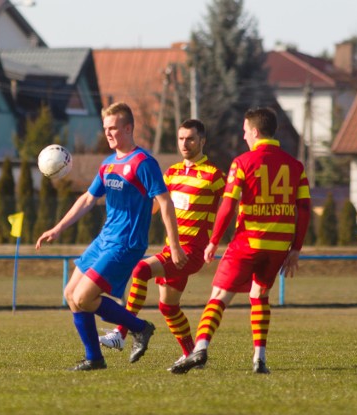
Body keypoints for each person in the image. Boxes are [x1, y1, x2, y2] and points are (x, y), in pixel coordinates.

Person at [35, 102, 187, 371]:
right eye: (106, 128)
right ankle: (94, 358)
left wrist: (174, 245)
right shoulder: (107, 164)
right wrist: (58, 228)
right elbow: (87, 199)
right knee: (71, 294)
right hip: (104, 239)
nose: (108, 133)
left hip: (126, 243)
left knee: (84, 298)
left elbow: (165, 203)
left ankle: (140, 327)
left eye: (113, 128)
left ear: (128, 128)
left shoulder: (144, 162)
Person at [170, 107, 311, 375]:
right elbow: (303, 209)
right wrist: (296, 249)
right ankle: (260, 358)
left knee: (219, 296)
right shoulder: (296, 166)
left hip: (247, 243)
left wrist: (213, 241)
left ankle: (199, 349)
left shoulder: (243, 162)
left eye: (246, 131)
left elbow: (228, 206)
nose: (244, 135)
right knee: (260, 295)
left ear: (255, 132)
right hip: (278, 247)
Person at [98, 119, 225, 369]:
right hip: (173, 249)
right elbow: (155, 206)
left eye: (190, 138)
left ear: (202, 141)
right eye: (181, 138)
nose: (185, 143)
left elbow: (232, 207)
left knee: (141, 270)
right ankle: (193, 356)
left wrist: (219, 241)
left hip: (191, 252)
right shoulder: (173, 172)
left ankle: (121, 333)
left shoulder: (215, 175)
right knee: (168, 306)